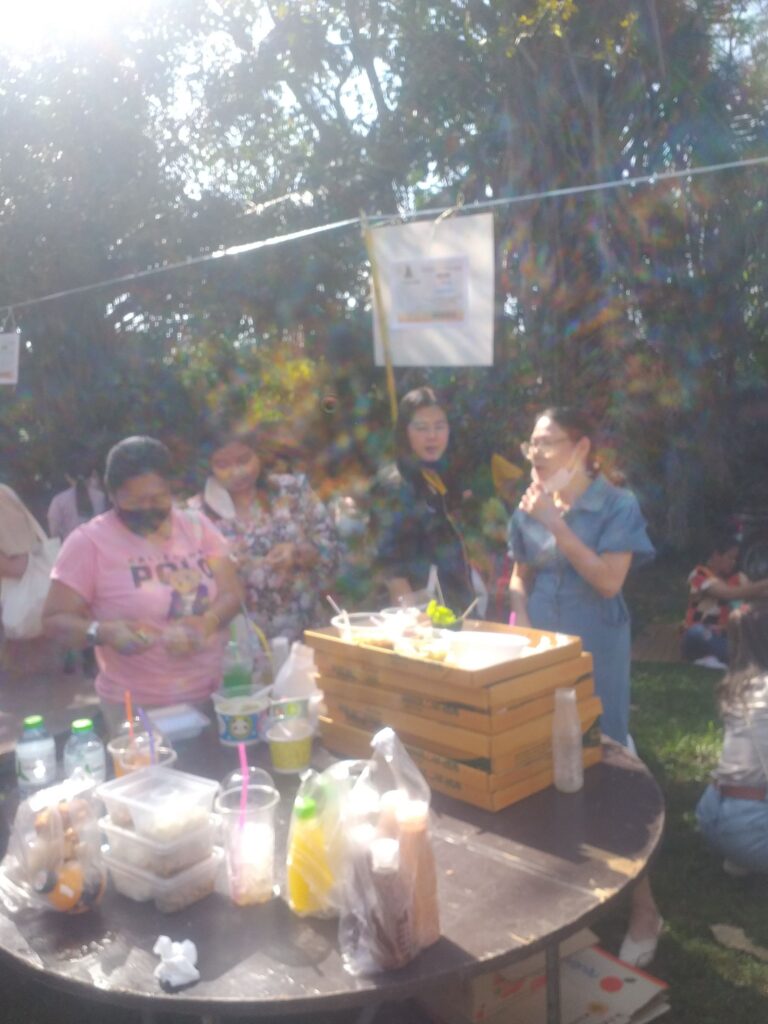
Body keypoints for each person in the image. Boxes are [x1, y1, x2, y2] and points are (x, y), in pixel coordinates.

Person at [508, 406, 662, 967]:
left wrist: (555, 522)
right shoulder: (529, 504)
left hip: (596, 650)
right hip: (542, 653)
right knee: (550, 766)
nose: (537, 452)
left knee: (605, 766)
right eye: (532, 442)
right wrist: (522, 617)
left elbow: (608, 581)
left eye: (548, 441)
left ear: (581, 448)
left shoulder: (616, 505)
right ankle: (572, 896)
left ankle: (644, 908)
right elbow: (519, 573)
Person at [42, 436, 242, 733]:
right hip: (138, 706)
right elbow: (53, 620)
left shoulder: (197, 526)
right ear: (112, 495)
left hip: (214, 693)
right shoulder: (88, 543)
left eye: (158, 498)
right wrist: (103, 632)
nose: (148, 509)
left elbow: (231, 594)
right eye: (135, 502)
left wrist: (207, 623)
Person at [190, 428, 339, 645]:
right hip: (242, 643)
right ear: (208, 466)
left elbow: (331, 551)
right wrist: (226, 569)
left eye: (244, 460)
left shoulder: (292, 490)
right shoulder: (196, 515)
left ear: (258, 454)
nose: (237, 472)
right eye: (223, 465)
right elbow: (190, 584)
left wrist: (298, 553)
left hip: (306, 631)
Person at [372, 386, 475, 614]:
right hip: (420, 617)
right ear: (404, 432)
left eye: (439, 426)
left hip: (452, 608)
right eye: (421, 428)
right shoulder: (395, 485)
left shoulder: (440, 476)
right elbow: (391, 566)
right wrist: (412, 620)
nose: (432, 436)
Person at [696, 601, 768, 876]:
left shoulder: (740, 688)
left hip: (713, 812)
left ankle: (744, 857)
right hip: (750, 824)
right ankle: (751, 852)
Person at [682, 536, 768, 669]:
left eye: (735, 559)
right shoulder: (699, 575)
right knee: (696, 632)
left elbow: (755, 594)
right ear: (716, 555)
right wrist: (763, 584)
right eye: (730, 557)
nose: (733, 562)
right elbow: (728, 593)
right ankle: (746, 659)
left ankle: (722, 659)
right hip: (700, 636)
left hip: (726, 637)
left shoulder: (737, 578)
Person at [47, 455, 107, 542]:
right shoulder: (101, 497)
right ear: (91, 475)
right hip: (99, 546)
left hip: (72, 547)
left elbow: (54, 533)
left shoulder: (58, 501)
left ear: (67, 477)